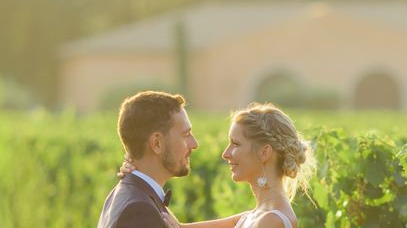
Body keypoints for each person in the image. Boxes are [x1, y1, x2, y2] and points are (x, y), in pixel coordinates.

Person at [120, 102, 314, 228]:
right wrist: (140, 172)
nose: (225, 154)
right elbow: (175, 226)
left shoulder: (272, 221)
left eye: (236, 144)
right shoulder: (251, 217)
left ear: (264, 152)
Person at [98, 91, 241, 227]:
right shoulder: (139, 210)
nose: (194, 144)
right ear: (157, 143)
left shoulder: (124, 196)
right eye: (186, 135)